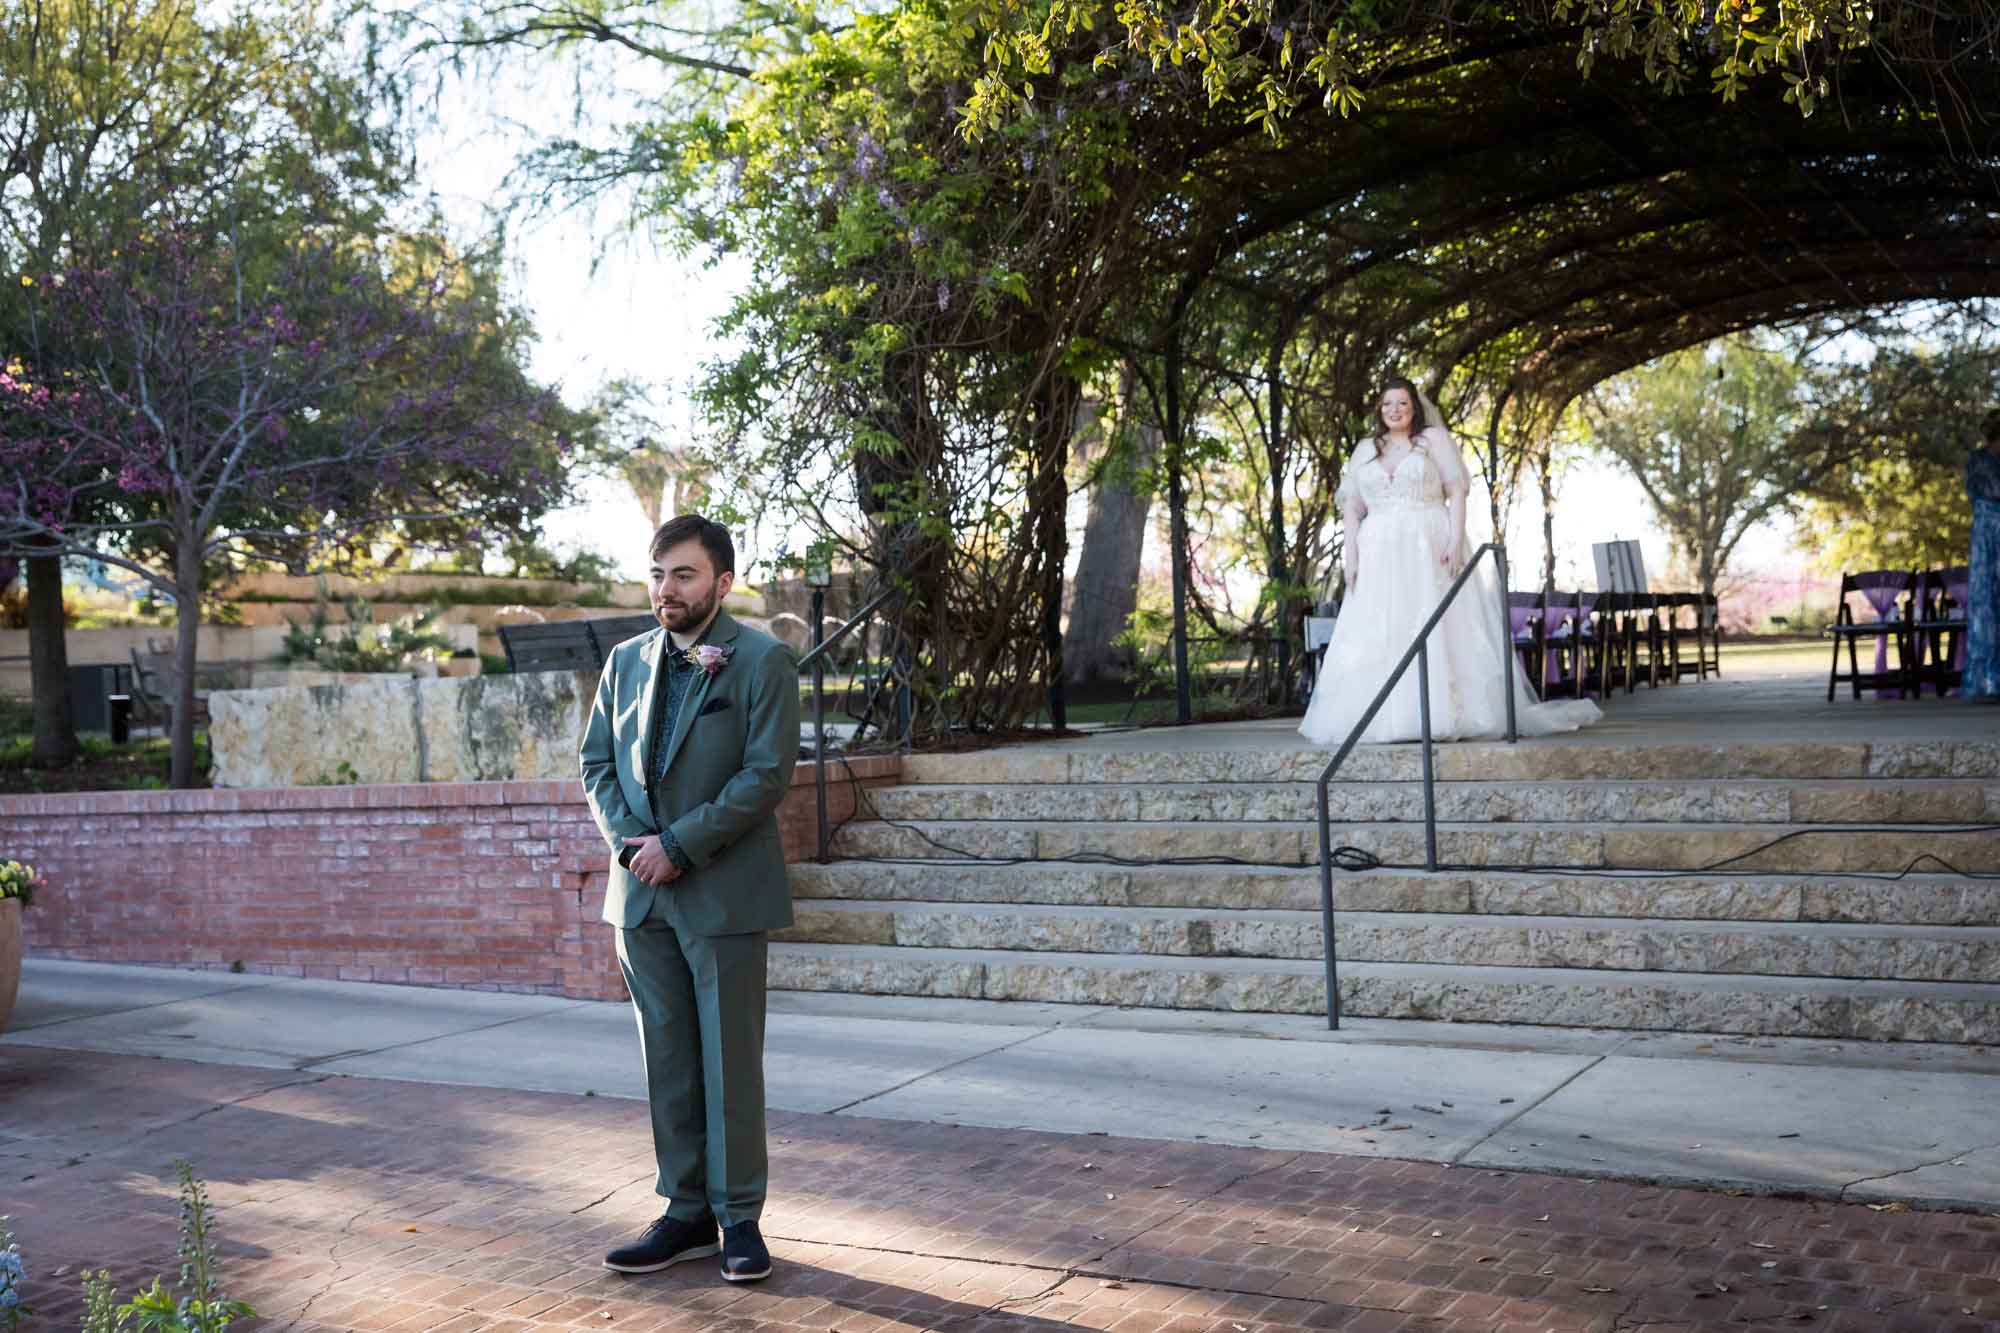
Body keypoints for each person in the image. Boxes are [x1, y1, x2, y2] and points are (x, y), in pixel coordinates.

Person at [579, 514, 801, 1282]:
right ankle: (684, 1211)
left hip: (724, 891)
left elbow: (765, 777)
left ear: (722, 582)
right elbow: (596, 764)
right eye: (657, 573)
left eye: (683, 574)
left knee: (730, 1064)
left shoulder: (762, 661)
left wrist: (679, 846)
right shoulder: (624, 662)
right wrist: (636, 845)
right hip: (638, 895)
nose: (665, 590)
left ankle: (740, 1217)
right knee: (667, 1060)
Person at [1299, 379, 1601, 745]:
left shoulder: (1433, 441)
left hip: (1427, 542)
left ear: (1414, 407)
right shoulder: (1365, 449)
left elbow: (1456, 490)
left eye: (1402, 403)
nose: (1395, 410)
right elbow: (1353, 506)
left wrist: (1456, 540)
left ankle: (1441, 712)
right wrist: (1351, 555)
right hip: (1378, 549)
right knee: (1381, 626)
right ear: (1380, 410)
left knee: (1432, 621)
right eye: (1387, 404)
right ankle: (1380, 716)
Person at [1964, 408, 2000, 702]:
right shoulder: (1979, 461)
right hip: (1988, 535)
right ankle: (1985, 678)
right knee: (1985, 601)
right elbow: (1987, 493)